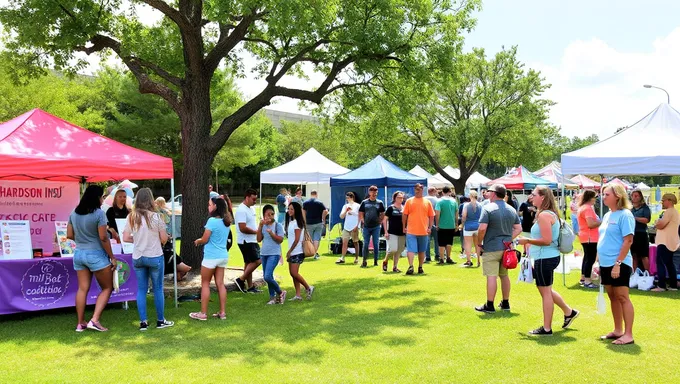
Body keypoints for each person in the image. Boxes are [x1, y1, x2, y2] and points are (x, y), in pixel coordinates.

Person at [518, 186, 579, 336]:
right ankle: (568, 312)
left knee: (545, 292)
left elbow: (546, 240)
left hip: (545, 257)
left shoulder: (544, 215)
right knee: (546, 290)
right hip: (546, 256)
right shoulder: (548, 214)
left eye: (534, 194)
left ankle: (547, 328)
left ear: (543, 197)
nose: (531, 197)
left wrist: (527, 240)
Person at [122, 188, 174, 331]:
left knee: (141, 289)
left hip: (138, 256)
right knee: (157, 288)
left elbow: (126, 237)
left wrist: (138, 240)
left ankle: (143, 322)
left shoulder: (131, 217)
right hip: (154, 255)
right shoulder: (157, 217)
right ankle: (160, 320)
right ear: (151, 200)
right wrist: (159, 238)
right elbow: (164, 238)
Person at [67, 185, 116, 332]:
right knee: (107, 287)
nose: (102, 199)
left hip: (79, 254)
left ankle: (80, 322)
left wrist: (82, 240)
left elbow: (69, 235)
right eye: (101, 196)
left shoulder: (74, 213)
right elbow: (103, 237)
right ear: (96, 197)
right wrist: (112, 257)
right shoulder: (99, 214)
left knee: (82, 289)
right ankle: (94, 320)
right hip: (96, 255)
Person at [594, 184, 635, 345]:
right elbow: (603, 239)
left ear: (617, 196)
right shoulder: (607, 215)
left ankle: (628, 334)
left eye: (606, 194)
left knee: (623, 297)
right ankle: (618, 330)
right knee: (613, 297)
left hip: (619, 262)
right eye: (603, 194)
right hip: (605, 263)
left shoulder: (625, 215)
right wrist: (598, 260)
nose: (603, 197)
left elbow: (628, 240)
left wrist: (618, 263)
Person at [475, 184, 521, 313]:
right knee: (504, 276)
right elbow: (518, 228)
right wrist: (508, 239)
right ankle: (505, 302)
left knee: (491, 276)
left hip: (491, 246)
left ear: (494, 193)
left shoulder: (488, 208)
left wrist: (479, 243)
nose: (487, 194)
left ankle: (490, 304)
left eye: (489, 192)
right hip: (506, 248)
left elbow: (482, 228)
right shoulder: (511, 209)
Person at [190, 197, 232, 320]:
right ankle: (222, 312)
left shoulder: (212, 221)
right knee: (220, 284)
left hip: (211, 257)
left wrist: (198, 241)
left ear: (215, 206)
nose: (208, 207)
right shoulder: (227, 222)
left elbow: (205, 239)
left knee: (205, 283)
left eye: (210, 205)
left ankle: (203, 313)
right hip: (223, 256)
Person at [234, 189, 262, 293]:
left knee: (249, 263)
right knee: (258, 261)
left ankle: (250, 287)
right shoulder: (241, 210)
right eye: (253, 199)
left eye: (256, 199)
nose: (255, 201)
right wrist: (256, 232)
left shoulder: (251, 209)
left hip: (252, 240)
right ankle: (241, 280)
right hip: (246, 241)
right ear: (247, 197)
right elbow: (242, 228)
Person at [402, 183, 435, 275]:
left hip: (423, 230)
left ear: (422, 190)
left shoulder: (427, 202)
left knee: (422, 250)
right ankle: (411, 266)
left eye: (419, 189)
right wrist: (404, 226)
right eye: (416, 189)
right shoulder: (409, 201)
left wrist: (429, 227)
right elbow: (404, 214)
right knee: (411, 249)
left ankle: (420, 267)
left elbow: (431, 216)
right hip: (411, 230)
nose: (417, 190)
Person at [258, 204, 287, 304]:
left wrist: (271, 233)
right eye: (268, 214)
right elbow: (258, 239)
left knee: (267, 276)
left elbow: (280, 240)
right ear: (264, 215)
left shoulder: (278, 225)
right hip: (264, 253)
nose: (270, 216)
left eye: (272, 214)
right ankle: (272, 298)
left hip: (274, 253)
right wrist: (260, 225)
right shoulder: (263, 225)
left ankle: (280, 292)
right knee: (269, 276)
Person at [285, 202, 314, 301]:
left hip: (297, 251)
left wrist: (289, 251)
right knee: (293, 274)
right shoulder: (291, 222)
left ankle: (308, 287)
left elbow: (297, 239)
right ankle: (298, 295)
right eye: (289, 209)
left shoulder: (297, 222)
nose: (289, 211)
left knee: (294, 273)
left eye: (292, 209)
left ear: (296, 210)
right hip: (293, 251)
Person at [651, 193, 679, 292]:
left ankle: (661, 286)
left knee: (660, 262)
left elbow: (661, 224)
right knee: (669, 263)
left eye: (663, 200)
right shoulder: (674, 212)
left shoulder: (669, 212)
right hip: (671, 241)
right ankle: (673, 285)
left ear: (669, 201)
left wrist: (656, 222)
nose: (662, 202)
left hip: (665, 241)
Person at [576, 190, 600, 288]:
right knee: (590, 258)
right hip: (590, 237)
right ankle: (587, 280)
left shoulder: (582, 208)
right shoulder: (588, 209)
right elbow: (590, 224)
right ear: (591, 198)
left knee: (586, 257)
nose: (595, 200)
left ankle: (583, 277)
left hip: (584, 236)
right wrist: (601, 222)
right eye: (595, 197)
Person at [359, 185, 386, 268]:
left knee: (375, 243)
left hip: (376, 226)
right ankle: (364, 260)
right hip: (366, 226)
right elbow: (361, 212)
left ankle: (375, 261)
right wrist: (363, 220)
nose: (374, 193)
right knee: (366, 243)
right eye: (372, 191)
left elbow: (382, 213)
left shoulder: (379, 203)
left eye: (375, 192)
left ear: (377, 193)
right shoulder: (364, 202)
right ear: (369, 192)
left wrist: (381, 221)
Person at [382, 191, 406, 272]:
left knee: (399, 250)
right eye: (399, 197)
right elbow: (384, 220)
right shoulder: (391, 208)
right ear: (395, 198)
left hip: (402, 232)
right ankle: (385, 260)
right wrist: (385, 231)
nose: (400, 199)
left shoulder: (404, 208)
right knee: (393, 249)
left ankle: (395, 267)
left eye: (402, 197)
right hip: (392, 232)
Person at [302, 190, 328, 260]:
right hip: (318, 222)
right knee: (316, 239)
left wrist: (304, 220)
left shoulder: (305, 203)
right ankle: (314, 253)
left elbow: (303, 212)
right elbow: (326, 211)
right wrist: (323, 218)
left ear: (311, 194)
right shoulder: (320, 202)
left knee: (309, 239)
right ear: (316, 194)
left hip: (309, 223)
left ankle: (309, 252)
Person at [435, 186, 457, 265]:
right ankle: (448, 257)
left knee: (441, 242)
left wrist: (437, 224)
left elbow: (437, 213)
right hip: (451, 225)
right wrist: (456, 223)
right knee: (449, 242)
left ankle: (441, 259)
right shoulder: (454, 201)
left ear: (442, 192)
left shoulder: (439, 201)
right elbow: (456, 213)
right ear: (450, 192)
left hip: (442, 225)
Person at [630, 189, 651, 272]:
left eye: (636, 196)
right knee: (633, 255)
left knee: (643, 255)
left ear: (640, 197)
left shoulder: (645, 208)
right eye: (633, 196)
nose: (634, 198)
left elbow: (647, 219)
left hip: (641, 233)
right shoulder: (630, 208)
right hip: (632, 233)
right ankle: (634, 273)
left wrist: (635, 218)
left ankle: (648, 274)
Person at [336, 192, 361, 264]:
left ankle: (356, 258)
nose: (347, 199)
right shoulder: (345, 206)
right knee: (344, 242)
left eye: (348, 198)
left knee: (355, 242)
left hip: (354, 226)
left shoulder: (357, 206)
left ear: (352, 197)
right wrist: (346, 211)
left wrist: (357, 226)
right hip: (347, 227)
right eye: (346, 198)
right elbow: (341, 216)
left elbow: (360, 216)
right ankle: (342, 257)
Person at [461, 190, 482, 267]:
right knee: (477, 244)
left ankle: (469, 260)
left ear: (470, 196)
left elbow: (464, 216)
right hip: (477, 225)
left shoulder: (466, 205)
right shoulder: (480, 205)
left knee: (468, 244)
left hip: (468, 226)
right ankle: (479, 260)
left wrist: (462, 224)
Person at [425, 187, 440, 263]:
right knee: (437, 240)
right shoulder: (437, 200)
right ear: (434, 191)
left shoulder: (424, 200)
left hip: (425, 223)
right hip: (435, 221)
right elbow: (438, 212)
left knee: (427, 240)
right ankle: (437, 255)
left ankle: (427, 257)